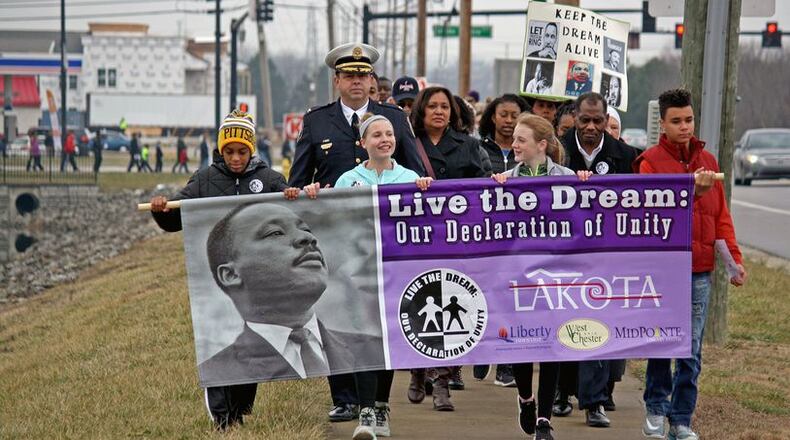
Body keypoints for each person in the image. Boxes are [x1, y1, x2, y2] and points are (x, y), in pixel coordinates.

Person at [288, 42, 424, 424]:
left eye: (363, 75)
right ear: (337, 80)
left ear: (372, 80)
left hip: (386, 242)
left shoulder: (392, 118)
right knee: (336, 316)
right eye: (349, 75)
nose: (357, 82)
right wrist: (304, 194)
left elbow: (414, 170)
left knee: (378, 321)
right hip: (335, 238)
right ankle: (345, 397)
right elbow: (298, 179)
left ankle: (374, 400)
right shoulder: (317, 121)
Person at [149, 110, 294, 431]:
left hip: (258, 280)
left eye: (242, 151)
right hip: (216, 280)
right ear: (220, 150)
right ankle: (221, 418)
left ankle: (239, 410)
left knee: (253, 345)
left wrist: (294, 195)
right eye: (229, 152)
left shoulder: (270, 180)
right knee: (217, 341)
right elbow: (176, 218)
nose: (236, 158)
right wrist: (161, 210)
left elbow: (292, 216)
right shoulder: (204, 180)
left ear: (251, 149)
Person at [303, 113, 432, 440]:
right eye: (376, 135)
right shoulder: (347, 180)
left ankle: (381, 406)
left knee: (387, 341)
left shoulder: (409, 177)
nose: (384, 140)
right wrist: (314, 196)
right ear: (363, 143)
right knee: (363, 340)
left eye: (389, 134)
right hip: (357, 274)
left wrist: (425, 191)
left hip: (395, 273)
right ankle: (365, 411)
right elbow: (330, 219)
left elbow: (426, 221)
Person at [635, 88, 746, 440]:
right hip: (663, 270)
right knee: (661, 342)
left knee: (691, 350)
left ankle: (681, 419)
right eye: (676, 121)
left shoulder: (708, 161)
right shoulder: (649, 162)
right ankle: (656, 408)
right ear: (663, 123)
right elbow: (649, 215)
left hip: (699, 270)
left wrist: (734, 261)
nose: (685, 127)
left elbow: (721, 217)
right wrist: (691, 192)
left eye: (689, 120)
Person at [490, 113, 591, 440]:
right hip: (518, 274)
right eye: (514, 140)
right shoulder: (505, 178)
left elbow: (586, 216)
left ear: (542, 145)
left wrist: (587, 184)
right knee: (522, 343)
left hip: (555, 273)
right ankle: (526, 399)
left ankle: (545, 420)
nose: (514, 145)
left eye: (521, 140)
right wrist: (493, 190)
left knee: (551, 345)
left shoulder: (567, 177)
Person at [559, 92, 638, 429]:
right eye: (585, 120)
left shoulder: (626, 156)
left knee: (597, 326)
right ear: (575, 118)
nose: (591, 127)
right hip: (563, 254)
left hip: (606, 257)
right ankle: (561, 393)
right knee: (563, 324)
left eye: (598, 121)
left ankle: (594, 402)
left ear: (607, 121)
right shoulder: (557, 150)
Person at [407, 86, 485, 411]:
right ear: (421, 112)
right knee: (420, 304)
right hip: (418, 237)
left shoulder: (468, 145)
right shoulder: (408, 144)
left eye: (445, 107)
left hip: (456, 237)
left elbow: (481, 187)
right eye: (433, 106)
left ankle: (442, 381)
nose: (439, 111)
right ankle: (417, 370)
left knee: (454, 305)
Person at [474, 93, 530, 385]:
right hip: (487, 235)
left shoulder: (529, 151)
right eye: (503, 115)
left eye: (514, 116)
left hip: (520, 238)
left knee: (513, 299)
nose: (508, 121)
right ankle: (483, 350)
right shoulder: (478, 148)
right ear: (492, 117)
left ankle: (507, 364)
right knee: (487, 295)